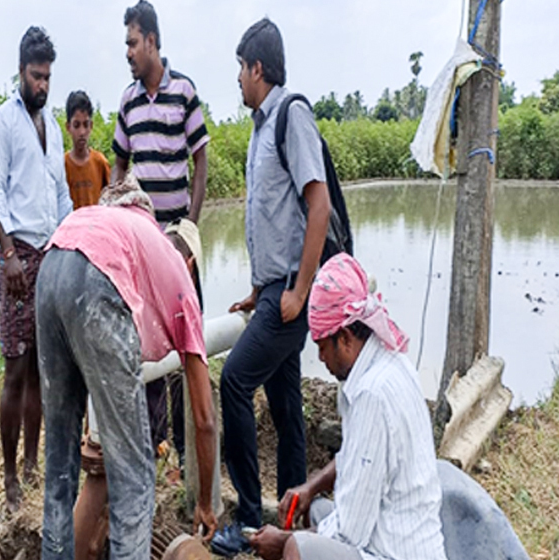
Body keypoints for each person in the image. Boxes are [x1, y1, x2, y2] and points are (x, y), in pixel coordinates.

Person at [36, 175, 218, 560]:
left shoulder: (115, 225)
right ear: (190, 261)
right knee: (134, 478)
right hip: (97, 274)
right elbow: (203, 417)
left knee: (59, 468)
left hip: (51, 262)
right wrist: (204, 502)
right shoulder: (176, 270)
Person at [212, 18, 332, 556]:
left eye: (241, 67)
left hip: (291, 295)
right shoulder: (261, 129)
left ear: (258, 68)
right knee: (286, 409)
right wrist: (258, 288)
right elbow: (275, 219)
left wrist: (298, 290)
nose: (237, 78)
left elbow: (318, 206)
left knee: (234, 380)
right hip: (274, 291)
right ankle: (289, 520)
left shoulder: (292, 115)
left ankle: (243, 515)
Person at [248, 253, 447, 560]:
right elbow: (358, 455)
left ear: (344, 337)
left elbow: (349, 532)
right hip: (401, 538)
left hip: (393, 553)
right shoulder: (390, 363)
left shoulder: (372, 396)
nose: (322, 358)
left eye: (322, 347)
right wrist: (311, 486)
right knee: (315, 509)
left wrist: (284, 540)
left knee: (296, 550)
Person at [111, 0, 210, 463]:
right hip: (143, 247)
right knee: (147, 342)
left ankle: (190, 453)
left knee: (187, 343)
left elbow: (201, 160)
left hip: (176, 242)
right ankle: (155, 446)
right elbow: (119, 162)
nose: (128, 52)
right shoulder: (128, 101)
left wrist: (188, 227)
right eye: (126, 44)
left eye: (132, 42)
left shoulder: (183, 91)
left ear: (151, 40)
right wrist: (120, 212)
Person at [0, 26, 73, 512]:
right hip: (18, 257)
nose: (43, 85)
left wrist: (68, 238)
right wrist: (9, 254)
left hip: (49, 253)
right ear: (21, 72)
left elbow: (58, 193)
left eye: (48, 77)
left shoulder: (53, 126)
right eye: (37, 76)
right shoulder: (3, 122)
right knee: (15, 369)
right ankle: (11, 476)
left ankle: (35, 462)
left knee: (42, 365)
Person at [64, 90, 110, 209]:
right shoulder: (62, 165)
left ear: (91, 126)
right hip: (71, 226)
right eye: (76, 125)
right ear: (68, 127)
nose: (82, 132)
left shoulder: (100, 163)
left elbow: (111, 199)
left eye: (86, 124)